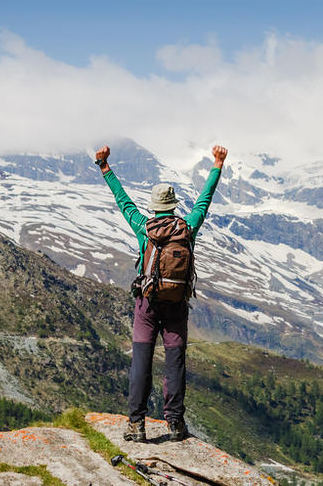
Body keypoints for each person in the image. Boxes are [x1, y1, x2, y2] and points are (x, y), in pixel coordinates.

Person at [94, 143, 227, 442]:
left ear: (155, 206)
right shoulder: (188, 227)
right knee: (174, 361)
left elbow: (123, 201)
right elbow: (204, 201)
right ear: (175, 205)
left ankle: (137, 425)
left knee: (141, 361)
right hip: (177, 304)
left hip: (147, 304)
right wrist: (217, 164)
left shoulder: (144, 227)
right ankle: (175, 424)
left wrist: (104, 167)